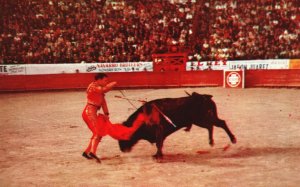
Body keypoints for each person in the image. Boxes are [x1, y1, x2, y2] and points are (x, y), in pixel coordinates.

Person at [81, 73, 144, 163]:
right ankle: (92, 152)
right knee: (97, 132)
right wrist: (113, 84)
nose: (106, 82)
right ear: (99, 80)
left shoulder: (99, 90)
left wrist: (106, 113)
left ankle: (87, 152)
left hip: (92, 112)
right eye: (105, 80)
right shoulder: (93, 86)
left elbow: (103, 102)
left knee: (98, 133)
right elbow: (104, 89)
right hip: (89, 112)